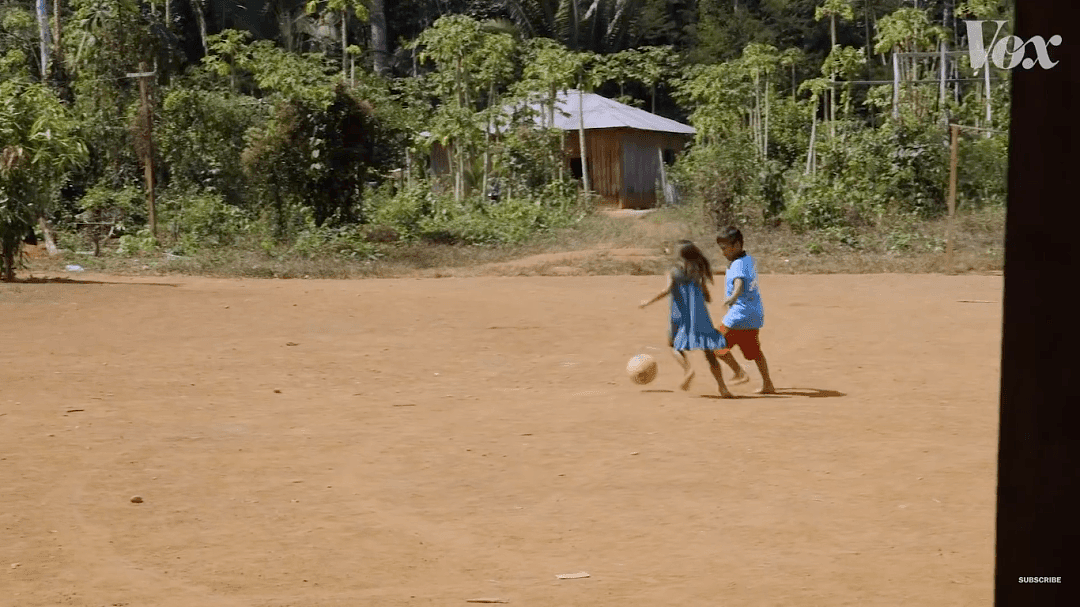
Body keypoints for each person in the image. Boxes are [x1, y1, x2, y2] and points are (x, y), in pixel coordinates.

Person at [640, 240, 735, 398]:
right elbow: (706, 294)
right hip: (699, 315)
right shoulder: (698, 270)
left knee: (674, 346)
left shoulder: (674, 271)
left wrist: (648, 301)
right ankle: (723, 388)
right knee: (709, 352)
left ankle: (688, 369)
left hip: (679, 315)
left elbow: (667, 290)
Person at [715, 226, 776, 394]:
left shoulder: (737, 265)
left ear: (736, 245)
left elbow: (739, 282)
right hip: (754, 316)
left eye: (724, 248)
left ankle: (739, 372)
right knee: (755, 352)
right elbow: (738, 274)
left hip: (738, 316)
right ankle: (768, 384)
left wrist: (733, 296)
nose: (722, 252)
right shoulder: (748, 260)